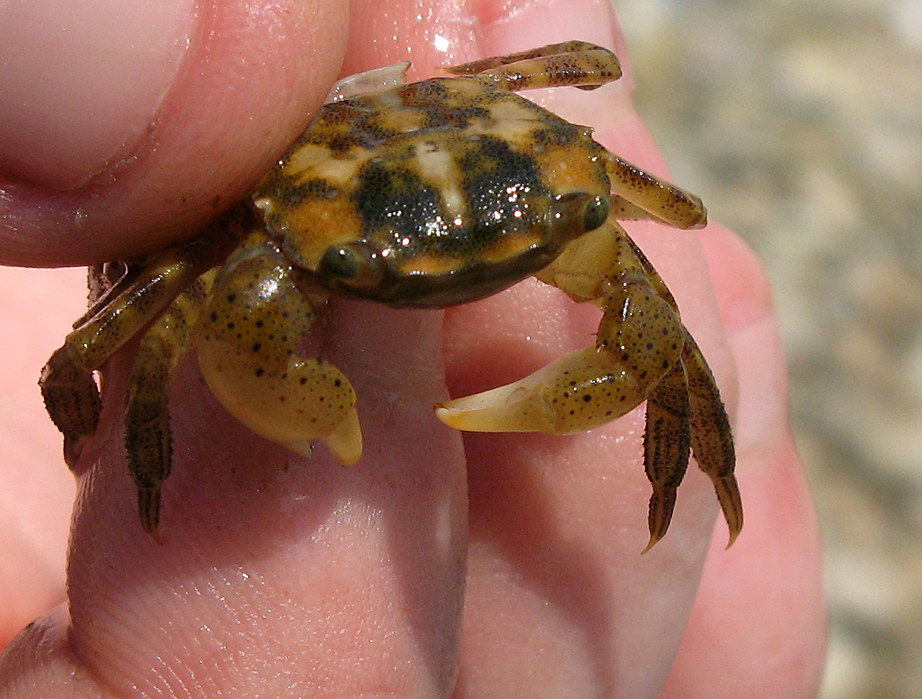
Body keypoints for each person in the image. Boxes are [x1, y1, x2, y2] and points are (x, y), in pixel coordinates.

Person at [0, 0, 826, 695]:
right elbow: (94, 357)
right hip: (297, 186)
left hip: (453, 176)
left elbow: (666, 264)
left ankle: (686, 472)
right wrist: (96, 430)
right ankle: (130, 483)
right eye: (361, 272)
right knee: (153, 353)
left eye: (569, 221)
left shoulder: (575, 192)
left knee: (663, 337)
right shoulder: (245, 213)